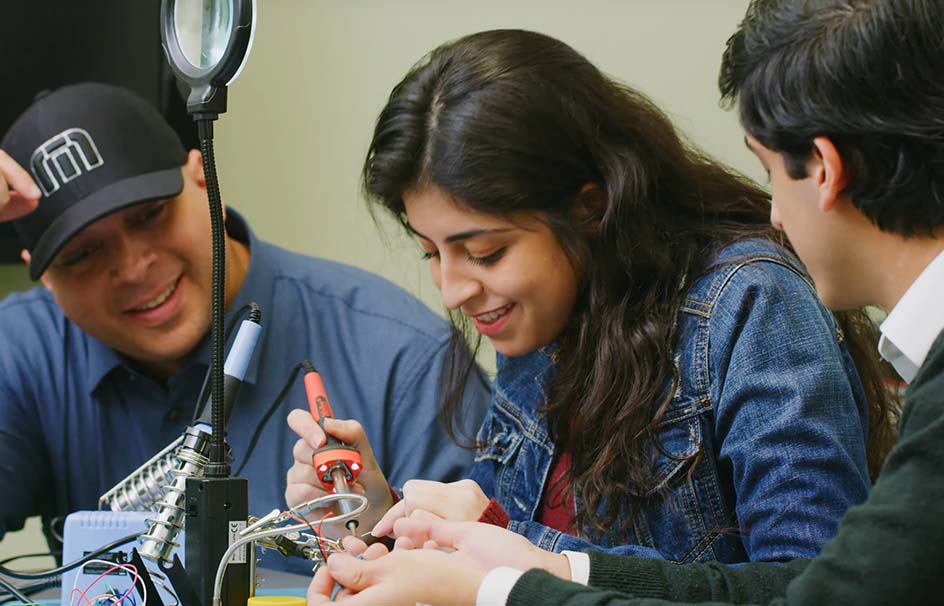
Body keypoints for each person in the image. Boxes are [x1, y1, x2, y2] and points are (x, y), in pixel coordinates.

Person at [306, 0, 944, 604]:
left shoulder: (748, 301)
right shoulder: (538, 321)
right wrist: (381, 523)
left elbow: (812, 585)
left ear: (588, 209)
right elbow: (488, 545)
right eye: (431, 253)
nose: (452, 289)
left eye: (487, 253)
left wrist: (515, 553)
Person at [0, 83, 489, 571]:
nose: (132, 268)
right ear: (42, 274)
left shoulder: (403, 359)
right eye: (83, 254)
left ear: (201, 179)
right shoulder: (21, 354)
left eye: (150, 216)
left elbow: (486, 578)